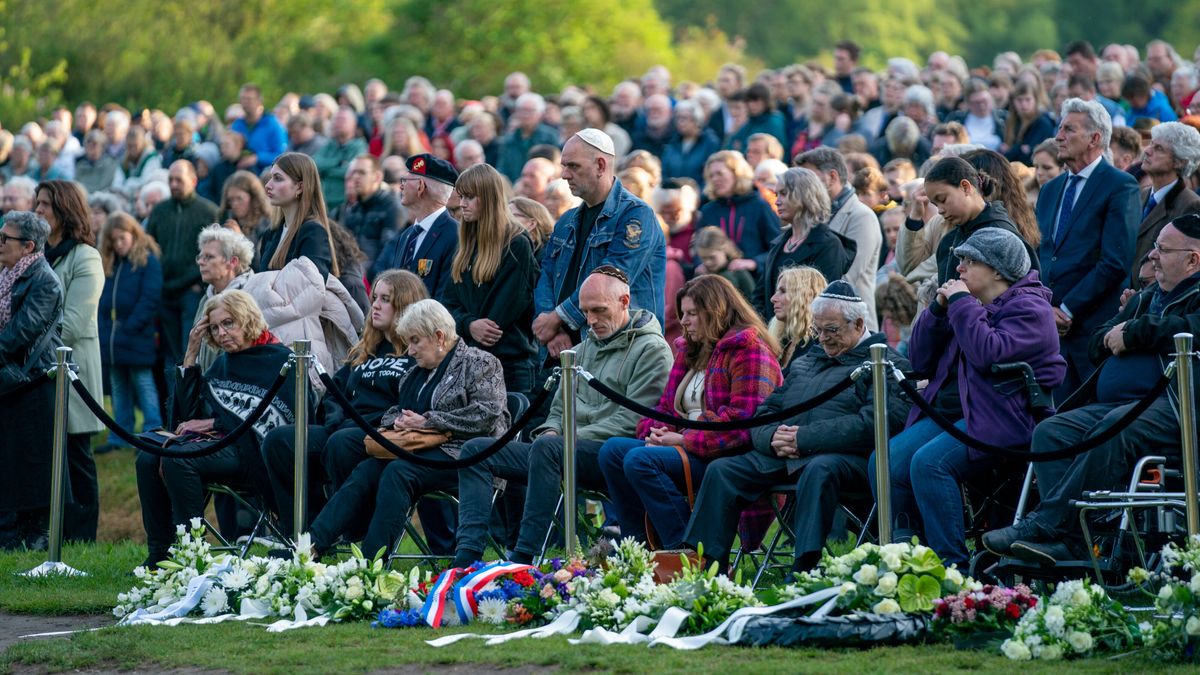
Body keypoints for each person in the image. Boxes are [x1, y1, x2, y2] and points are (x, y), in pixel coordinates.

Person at [984, 214, 1200, 565]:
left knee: (1115, 425)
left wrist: (1134, 334)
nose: (1153, 256)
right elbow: (1098, 341)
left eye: (1162, 249)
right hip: (1119, 404)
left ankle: (1047, 525)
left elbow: (1189, 328)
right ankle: (1074, 544)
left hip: (1175, 405)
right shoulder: (1145, 298)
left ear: (1192, 259)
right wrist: (1126, 331)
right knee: (1051, 432)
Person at [451, 267, 674, 566]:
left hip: (614, 453)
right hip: (563, 449)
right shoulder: (581, 349)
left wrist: (563, 438)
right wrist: (552, 431)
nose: (591, 320)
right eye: (585, 312)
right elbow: (556, 411)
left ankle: (523, 558)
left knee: (549, 448)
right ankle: (466, 559)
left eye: (599, 310)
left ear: (624, 302)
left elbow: (634, 420)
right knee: (477, 450)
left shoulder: (653, 350)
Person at [682, 281, 911, 573]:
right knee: (723, 470)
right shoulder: (808, 362)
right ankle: (706, 566)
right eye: (818, 330)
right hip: (785, 453)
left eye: (832, 330)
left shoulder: (885, 362)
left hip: (845, 458)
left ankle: (804, 567)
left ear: (858, 324)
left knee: (820, 470)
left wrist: (805, 438)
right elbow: (765, 412)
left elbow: (876, 423)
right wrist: (771, 437)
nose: (824, 339)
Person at [874, 229, 1065, 567]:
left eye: (970, 261)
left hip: (1007, 417)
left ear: (997, 270)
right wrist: (936, 310)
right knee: (885, 461)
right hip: (963, 413)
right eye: (959, 260)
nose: (958, 269)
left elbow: (988, 353)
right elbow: (919, 362)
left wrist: (961, 304)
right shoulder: (972, 304)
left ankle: (953, 566)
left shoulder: (1031, 308)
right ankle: (906, 553)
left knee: (930, 464)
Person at [309, 299, 508, 559]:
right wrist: (399, 420)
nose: (410, 351)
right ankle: (311, 546)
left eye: (415, 341)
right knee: (367, 469)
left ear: (439, 336)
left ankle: (371, 565)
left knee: (398, 472)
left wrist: (429, 420)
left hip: (470, 456)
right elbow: (398, 409)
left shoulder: (480, 362)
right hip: (421, 450)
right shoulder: (416, 372)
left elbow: (488, 415)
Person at [598, 275, 782, 550]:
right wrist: (657, 431)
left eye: (692, 314)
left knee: (640, 460)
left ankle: (687, 549)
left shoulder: (750, 350)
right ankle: (637, 549)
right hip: (686, 448)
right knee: (612, 451)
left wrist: (684, 439)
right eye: (683, 313)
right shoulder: (690, 351)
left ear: (716, 312)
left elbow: (744, 425)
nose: (683, 321)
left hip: (727, 457)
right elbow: (664, 409)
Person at [135, 289, 297, 566]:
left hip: (255, 454)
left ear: (246, 319)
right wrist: (191, 354)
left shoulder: (280, 358)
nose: (221, 333)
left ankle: (190, 555)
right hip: (219, 446)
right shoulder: (223, 363)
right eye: (214, 328)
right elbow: (184, 419)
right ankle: (160, 557)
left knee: (179, 462)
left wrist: (214, 422)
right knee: (148, 457)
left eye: (228, 323)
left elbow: (281, 419)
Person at [262, 270, 426, 536]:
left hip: (383, 433)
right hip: (343, 427)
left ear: (405, 306)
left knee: (342, 442)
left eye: (386, 299)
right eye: (375, 298)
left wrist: (354, 426)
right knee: (279, 441)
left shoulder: (416, 352)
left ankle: (351, 533)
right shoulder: (364, 350)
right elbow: (333, 393)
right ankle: (305, 531)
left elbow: (413, 402)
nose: (375, 305)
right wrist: (335, 421)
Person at [1035, 98, 1140, 398]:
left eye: (1069, 129)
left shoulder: (1120, 185)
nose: (1058, 136)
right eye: (1059, 128)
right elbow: (1042, 255)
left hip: (1092, 331)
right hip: (1050, 334)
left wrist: (1066, 310)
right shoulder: (1050, 190)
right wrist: (1045, 308)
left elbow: (1115, 261)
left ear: (1095, 138)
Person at [533, 130, 666, 357]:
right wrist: (553, 327)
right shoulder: (566, 220)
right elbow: (546, 275)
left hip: (621, 353)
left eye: (573, 166)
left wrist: (557, 318)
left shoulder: (636, 216)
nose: (564, 174)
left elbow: (610, 280)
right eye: (563, 166)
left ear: (601, 166)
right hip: (563, 348)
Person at [34, 181, 105, 542]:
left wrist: (25, 341)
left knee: (77, 456)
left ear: (65, 209)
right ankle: (50, 532)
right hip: (40, 373)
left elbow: (73, 324)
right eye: (38, 202)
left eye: (46, 203)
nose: (39, 209)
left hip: (73, 370)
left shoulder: (85, 257)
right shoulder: (37, 255)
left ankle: (83, 539)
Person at [443, 164, 539, 394]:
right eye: (461, 197)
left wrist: (466, 324)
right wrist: (469, 324)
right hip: (469, 362)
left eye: (470, 197)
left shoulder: (516, 244)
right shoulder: (466, 245)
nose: (462, 204)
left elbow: (495, 322)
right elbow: (446, 305)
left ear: (488, 198)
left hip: (510, 366)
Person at [0, 211, 63, 550]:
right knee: (10, 460)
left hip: (34, 380)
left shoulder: (45, 281)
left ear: (27, 246)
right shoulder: (8, 273)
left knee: (33, 463)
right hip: (10, 381)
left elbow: (20, 334)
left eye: (5, 239)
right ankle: (10, 537)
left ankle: (36, 537)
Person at [96, 213, 163, 453]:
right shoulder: (110, 262)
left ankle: (151, 434)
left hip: (136, 336)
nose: (118, 244)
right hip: (113, 339)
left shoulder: (147, 261)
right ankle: (119, 436)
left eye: (122, 238)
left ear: (133, 235)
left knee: (143, 383)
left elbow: (150, 298)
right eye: (113, 240)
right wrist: (105, 330)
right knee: (118, 387)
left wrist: (131, 327)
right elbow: (102, 299)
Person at [796, 147, 882, 329]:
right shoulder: (814, 216)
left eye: (811, 179)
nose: (804, 186)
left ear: (832, 177)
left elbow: (847, 278)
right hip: (820, 325)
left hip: (853, 328)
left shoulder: (861, 216)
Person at [753, 167, 853, 320]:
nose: (777, 201)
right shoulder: (778, 244)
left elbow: (822, 302)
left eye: (784, 194)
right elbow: (760, 296)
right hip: (772, 336)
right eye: (776, 194)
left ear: (805, 195)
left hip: (806, 337)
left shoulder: (828, 245)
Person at [922, 156, 1040, 285]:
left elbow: (1030, 293)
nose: (940, 210)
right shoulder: (948, 240)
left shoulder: (1001, 236)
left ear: (965, 187)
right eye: (935, 204)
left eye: (943, 199)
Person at [146, 160, 220, 365]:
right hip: (164, 290)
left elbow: (217, 252)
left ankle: (189, 396)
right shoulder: (159, 211)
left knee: (190, 350)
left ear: (193, 181)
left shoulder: (209, 211)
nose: (174, 184)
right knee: (170, 354)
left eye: (179, 179)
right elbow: (149, 248)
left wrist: (202, 284)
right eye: (171, 180)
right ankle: (174, 397)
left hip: (192, 291)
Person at [370, 154, 460, 297]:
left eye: (405, 180)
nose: (401, 186)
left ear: (421, 187)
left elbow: (446, 299)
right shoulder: (407, 235)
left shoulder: (455, 235)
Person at [1131, 122, 1200, 284]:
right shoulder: (1140, 195)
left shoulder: (1191, 205)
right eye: (1151, 145)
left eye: (1159, 149)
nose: (1147, 151)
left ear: (1180, 161)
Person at [258, 152, 339, 279]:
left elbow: (312, 287)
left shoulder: (313, 232)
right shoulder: (270, 233)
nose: (268, 185)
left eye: (278, 178)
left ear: (300, 187)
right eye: (270, 178)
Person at [696, 151, 781, 265]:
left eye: (720, 173)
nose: (715, 179)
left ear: (737, 173)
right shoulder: (708, 211)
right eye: (711, 175)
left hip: (753, 279)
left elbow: (778, 248)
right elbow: (698, 250)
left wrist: (754, 263)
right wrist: (700, 265)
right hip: (717, 279)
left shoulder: (759, 206)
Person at [192, 225, 256, 372]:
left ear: (232, 262)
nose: (200, 262)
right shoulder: (207, 298)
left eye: (209, 257)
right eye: (200, 256)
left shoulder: (249, 296)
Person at [341, 154, 401, 271]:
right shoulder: (353, 208)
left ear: (377, 177)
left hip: (375, 280)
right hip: (353, 274)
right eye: (353, 173)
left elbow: (389, 253)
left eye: (362, 173)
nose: (356, 177)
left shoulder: (391, 206)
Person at [768, 266, 828, 370]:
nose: (773, 299)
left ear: (805, 296)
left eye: (782, 291)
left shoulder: (818, 346)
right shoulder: (789, 341)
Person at [313, 107, 368, 213]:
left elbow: (350, 171)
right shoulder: (329, 145)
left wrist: (325, 171)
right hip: (322, 204)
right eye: (336, 120)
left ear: (354, 125)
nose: (337, 123)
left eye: (342, 120)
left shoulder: (359, 146)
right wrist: (338, 162)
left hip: (345, 205)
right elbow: (314, 164)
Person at [497, 93, 559, 183]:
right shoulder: (508, 139)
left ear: (540, 114)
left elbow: (556, 166)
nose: (525, 115)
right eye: (522, 110)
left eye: (530, 111)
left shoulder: (550, 136)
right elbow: (502, 168)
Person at [660, 100, 721, 190]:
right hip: (673, 198)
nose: (680, 122)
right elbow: (664, 172)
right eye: (677, 118)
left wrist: (697, 196)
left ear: (697, 120)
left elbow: (710, 173)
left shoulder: (710, 143)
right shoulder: (672, 143)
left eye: (684, 118)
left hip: (700, 198)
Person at [230, 84, 289, 172]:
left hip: (265, 174)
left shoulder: (273, 125)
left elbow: (282, 156)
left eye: (249, 99)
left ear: (259, 101)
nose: (245, 102)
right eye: (243, 98)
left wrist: (257, 158)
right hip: (237, 170)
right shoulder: (237, 125)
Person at [691, 226, 755, 303]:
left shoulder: (738, 273)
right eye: (703, 258)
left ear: (724, 249)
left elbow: (753, 303)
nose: (707, 262)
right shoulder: (700, 275)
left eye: (712, 257)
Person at [1001, 82, 1056, 165]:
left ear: (1035, 100)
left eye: (1028, 99)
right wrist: (1021, 149)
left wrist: (1015, 149)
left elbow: (1030, 157)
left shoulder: (1043, 124)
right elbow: (1003, 156)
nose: (1024, 104)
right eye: (1019, 100)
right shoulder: (1011, 122)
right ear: (1013, 101)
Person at [218, 170, 272, 247]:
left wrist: (240, 239)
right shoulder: (227, 219)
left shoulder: (267, 223)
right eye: (231, 200)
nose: (234, 204)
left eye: (239, 198)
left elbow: (262, 257)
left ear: (253, 197)